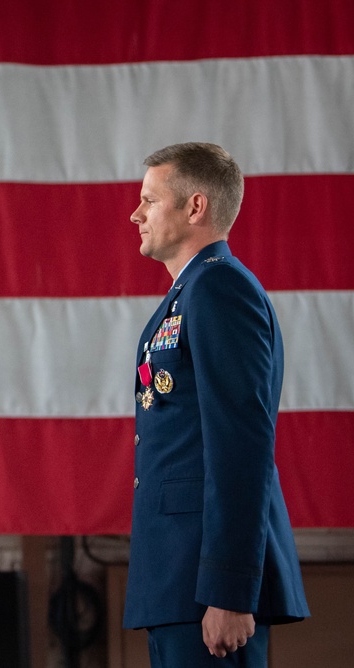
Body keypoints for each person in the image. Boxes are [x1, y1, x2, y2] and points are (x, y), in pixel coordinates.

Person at [123, 143, 309, 666]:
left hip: (208, 584)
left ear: (195, 206)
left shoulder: (220, 288)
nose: (135, 214)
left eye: (149, 200)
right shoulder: (190, 293)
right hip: (178, 575)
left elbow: (241, 446)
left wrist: (229, 590)